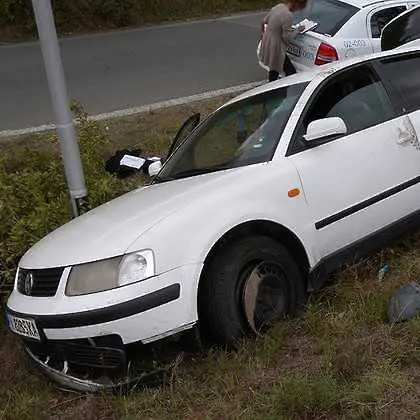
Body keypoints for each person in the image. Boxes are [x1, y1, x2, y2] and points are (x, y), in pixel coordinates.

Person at [259, 0, 308, 82]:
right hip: (276, 47)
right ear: (296, 4)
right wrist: (297, 30)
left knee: (274, 69)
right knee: (290, 72)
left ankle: (273, 88)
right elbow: (287, 38)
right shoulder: (288, 15)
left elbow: (263, 22)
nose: (297, 10)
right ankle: (281, 91)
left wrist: (263, 34)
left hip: (267, 41)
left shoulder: (278, 7)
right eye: (299, 8)